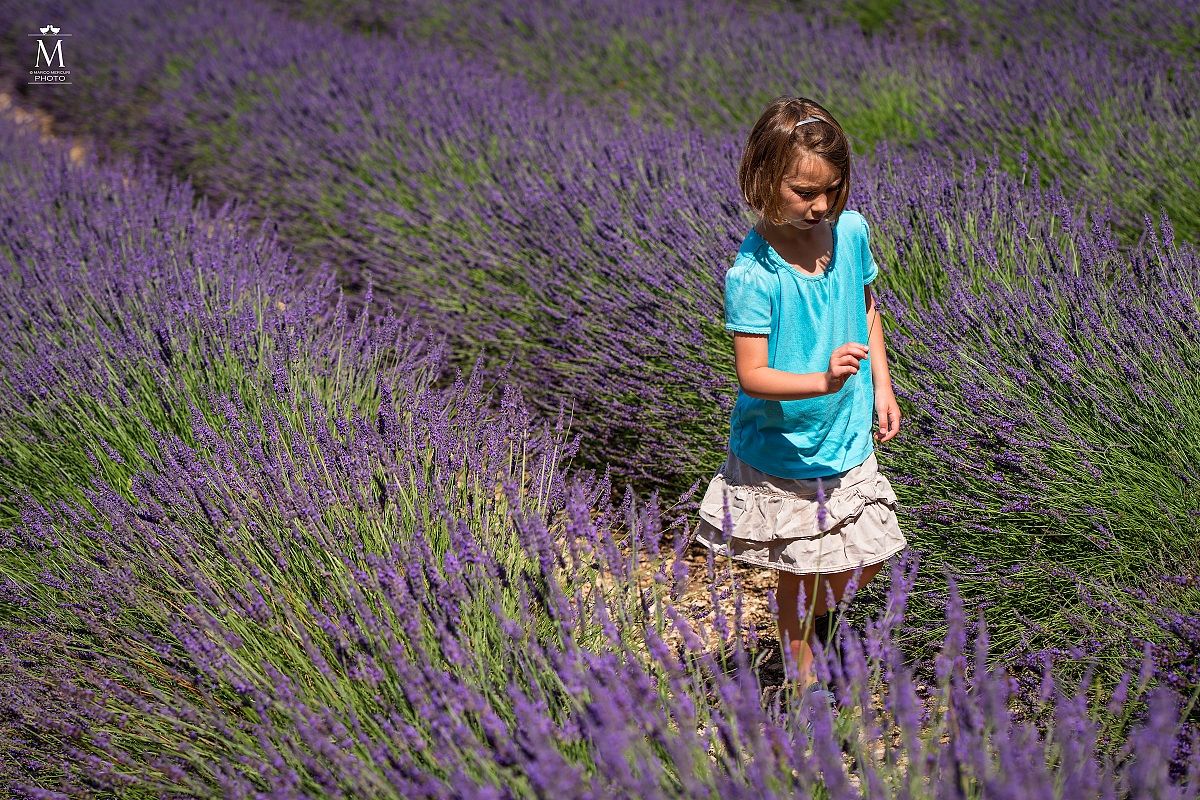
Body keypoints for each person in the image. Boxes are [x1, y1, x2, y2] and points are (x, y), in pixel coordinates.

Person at [694, 96, 907, 694]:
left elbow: (867, 308)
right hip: (786, 443)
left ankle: (814, 623)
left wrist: (881, 387)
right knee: (800, 566)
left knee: (859, 562)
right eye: (803, 192)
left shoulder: (852, 231)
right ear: (763, 180)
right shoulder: (754, 275)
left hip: (843, 431)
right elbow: (752, 375)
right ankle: (801, 675)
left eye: (831, 190)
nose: (820, 206)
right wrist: (823, 380)